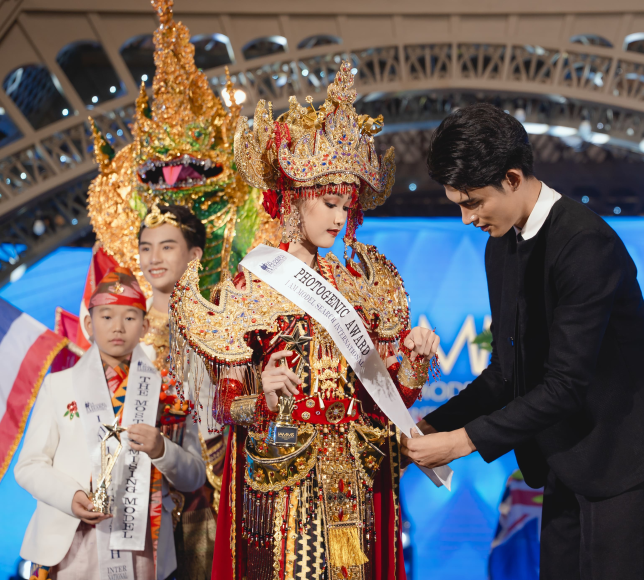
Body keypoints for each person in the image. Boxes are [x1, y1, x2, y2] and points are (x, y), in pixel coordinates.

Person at [169, 61, 441, 580]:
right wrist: (261, 392)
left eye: (348, 205)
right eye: (330, 202)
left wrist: (414, 361)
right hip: (286, 471)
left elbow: (389, 397)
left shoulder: (360, 286)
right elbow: (230, 406)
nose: (340, 218)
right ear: (295, 197)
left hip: (355, 473)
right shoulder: (254, 284)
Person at [402, 102, 644, 580]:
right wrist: (429, 428)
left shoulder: (584, 243)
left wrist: (461, 443)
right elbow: (508, 372)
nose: (466, 219)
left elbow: (566, 383)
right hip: (565, 461)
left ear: (512, 178)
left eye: (473, 202)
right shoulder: (500, 244)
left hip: (621, 461)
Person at [16, 267, 205, 580]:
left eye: (129, 318)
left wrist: (161, 448)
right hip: (73, 538)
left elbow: (194, 475)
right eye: (106, 317)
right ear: (89, 324)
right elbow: (29, 465)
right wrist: (70, 496)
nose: (118, 327)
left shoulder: (167, 390)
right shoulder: (59, 386)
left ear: (144, 325)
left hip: (142, 540)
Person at [138, 202, 225, 579]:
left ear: (194, 255)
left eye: (167, 246)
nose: (153, 258)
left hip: (199, 495)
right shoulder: (120, 326)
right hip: (134, 492)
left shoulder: (218, 330)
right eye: (146, 247)